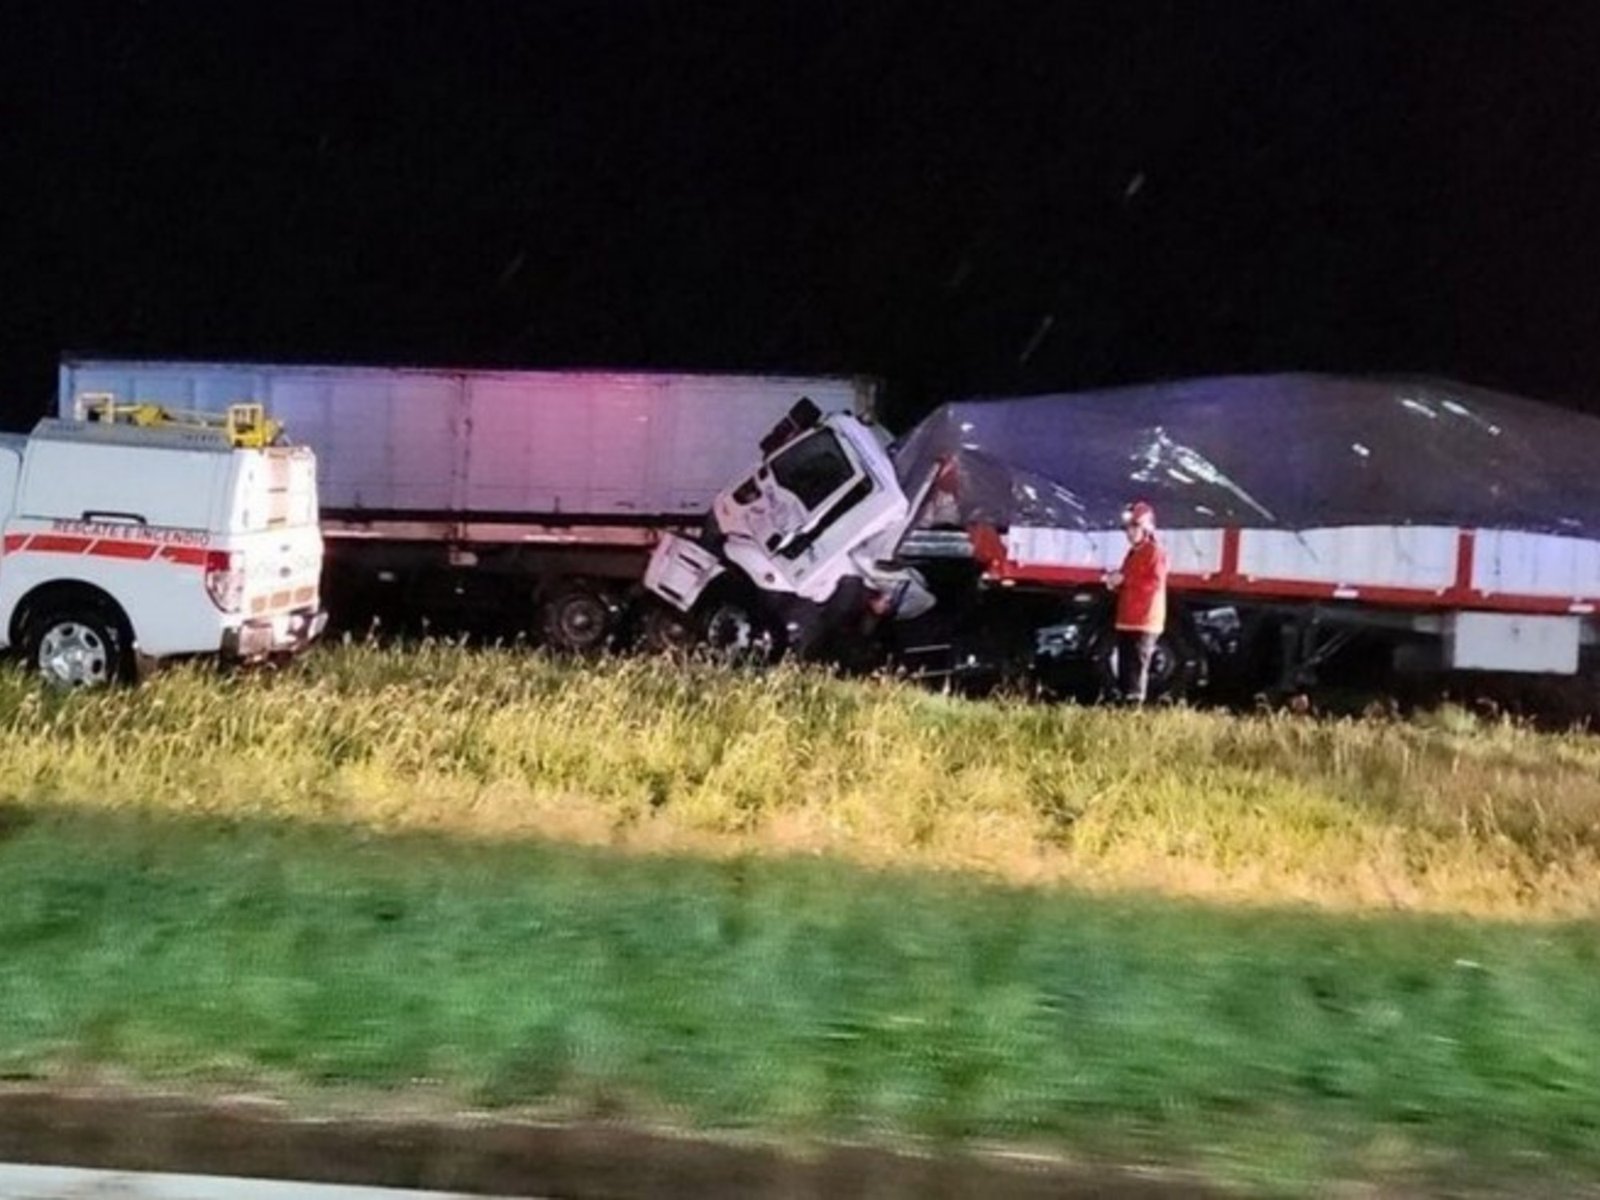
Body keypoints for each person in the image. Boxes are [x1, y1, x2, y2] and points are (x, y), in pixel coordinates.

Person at [1103, 500, 1169, 704]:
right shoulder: (1134, 553)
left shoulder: (1155, 552)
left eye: (1134, 527)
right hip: (1128, 618)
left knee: (1137, 667)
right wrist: (1115, 582)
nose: (1130, 533)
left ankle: (1134, 706)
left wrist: (1124, 580)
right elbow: (1131, 579)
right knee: (1125, 665)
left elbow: (1155, 582)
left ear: (1146, 527)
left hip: (1145, 619)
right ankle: (1125, 702)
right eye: (1127, 528)